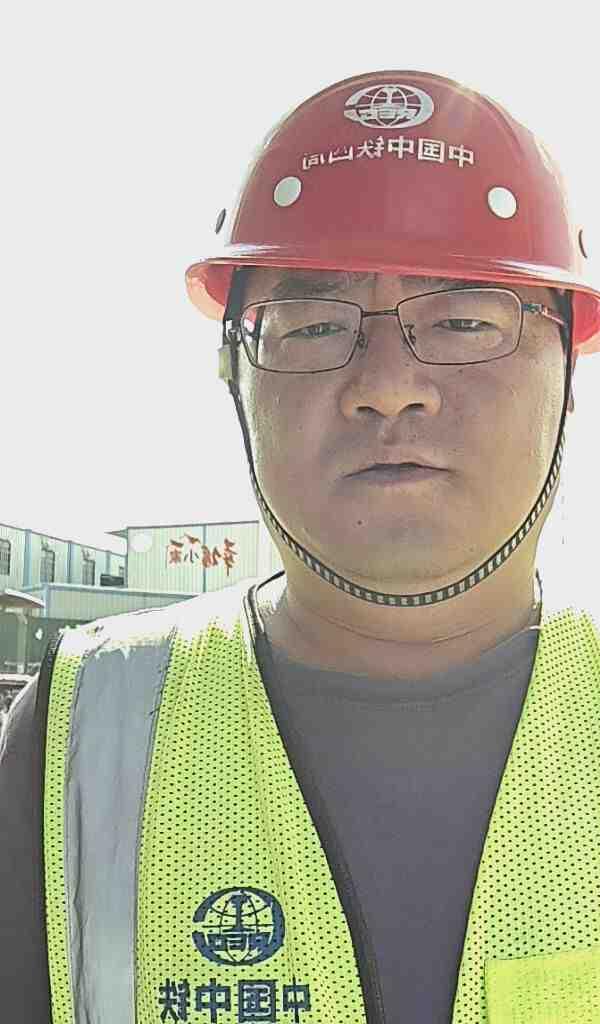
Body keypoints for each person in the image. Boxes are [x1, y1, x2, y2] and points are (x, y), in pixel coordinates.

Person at [1, 70, 600, 1024]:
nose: (389, 385)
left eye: (464, 321)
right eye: (313, 326)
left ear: (567, 369)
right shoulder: (83, 735)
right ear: (234, 376)